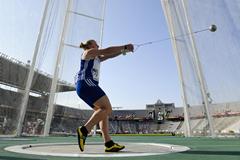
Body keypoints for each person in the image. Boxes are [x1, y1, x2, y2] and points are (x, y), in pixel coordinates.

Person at [76, 39, 134, 152]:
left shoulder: (96, 58)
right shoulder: (88, 52)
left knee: (103, 113)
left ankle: (108, 143)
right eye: (96, 44)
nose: (98, 45)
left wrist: (123, 51)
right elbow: (107, 51)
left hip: (85, 86)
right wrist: (125, 46)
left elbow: (110, 55)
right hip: (86, 84)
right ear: (89, 45)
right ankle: (84, 130)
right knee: (107, 108)